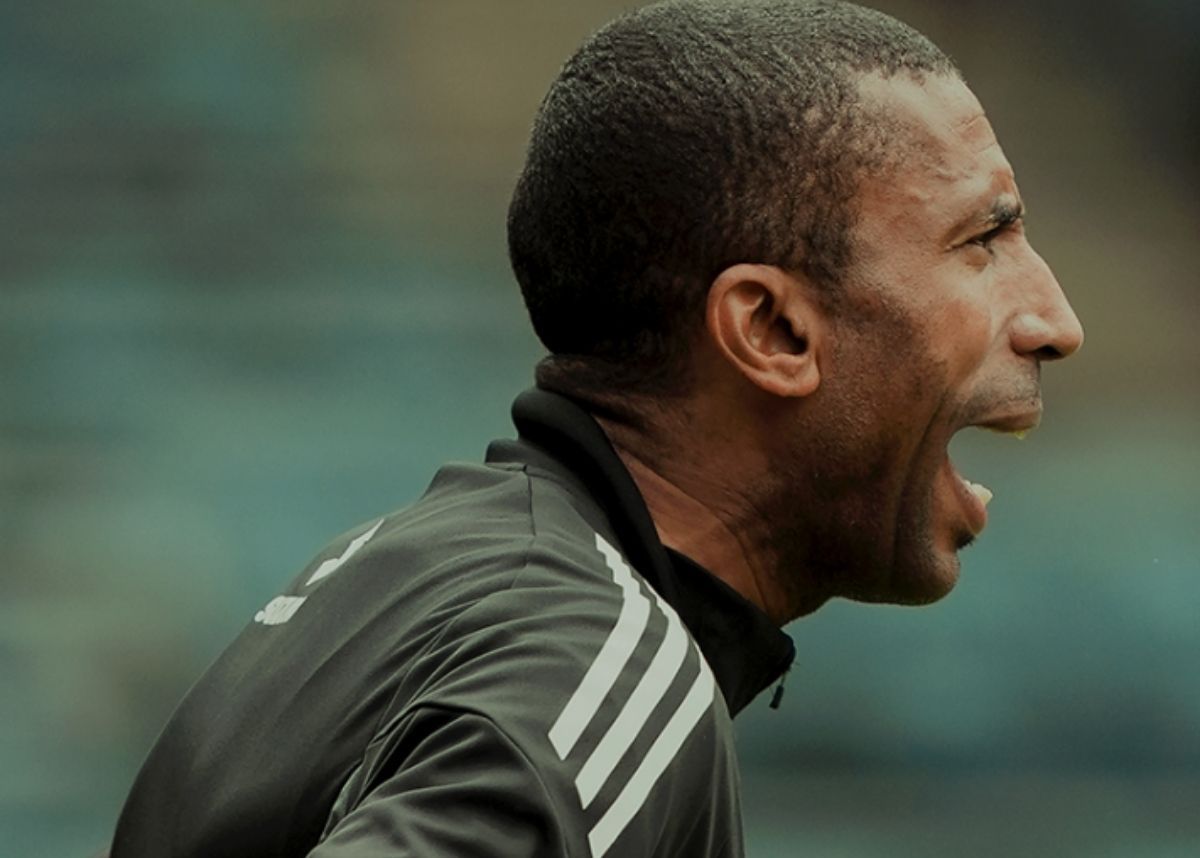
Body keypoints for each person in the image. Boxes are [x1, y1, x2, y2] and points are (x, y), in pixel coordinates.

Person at [110, 1, 1083, 856]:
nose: (1056, 321)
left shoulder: (393, 573)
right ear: (772, 331)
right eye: (983, 241)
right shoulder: (606, 668)